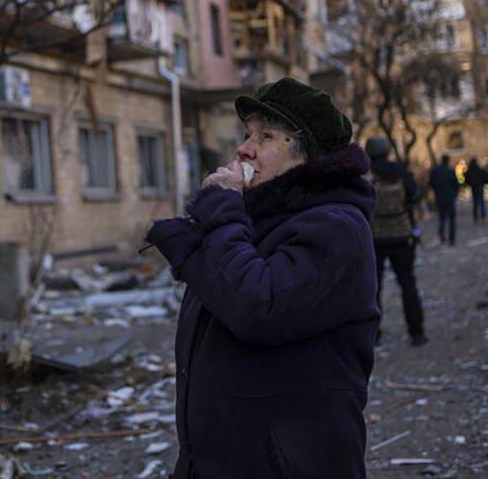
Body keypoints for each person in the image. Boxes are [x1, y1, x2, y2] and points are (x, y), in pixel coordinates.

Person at [145, 78, 378, 478]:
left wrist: (221, 214)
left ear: (307, 156)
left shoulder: (337, 228)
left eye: (266, 136)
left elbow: (259, 306)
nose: (244, 148)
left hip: (291, 464)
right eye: (247, 133)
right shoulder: (257, 221)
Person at [364, 136, 428, 347]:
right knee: (408, 284)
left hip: (375, 237)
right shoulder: (400, 171)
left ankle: (374, 334)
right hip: (402, 234)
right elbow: (415, 194)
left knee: (374, 288)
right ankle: (416, 332)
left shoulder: (365, 175)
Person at [428, 154, 460, 245]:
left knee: (442, 218)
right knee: (452, 219)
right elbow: (456, 185)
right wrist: (454, 194)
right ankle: (452, 238)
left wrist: (436, 191)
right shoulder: (451, 171)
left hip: (440, 198)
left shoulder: (435, 172)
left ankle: (442, 236)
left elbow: (431, 183)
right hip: (450, 198)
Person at [465, 157, 488, 222]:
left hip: (474, 187)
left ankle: (476, 218)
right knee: (481, 203)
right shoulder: (479, 169)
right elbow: (485, 176)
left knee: (475, 203)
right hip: (479, 186)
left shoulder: (470, 171)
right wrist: (484, 183)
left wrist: (470, 184)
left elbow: (466, 179)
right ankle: (483, 217)